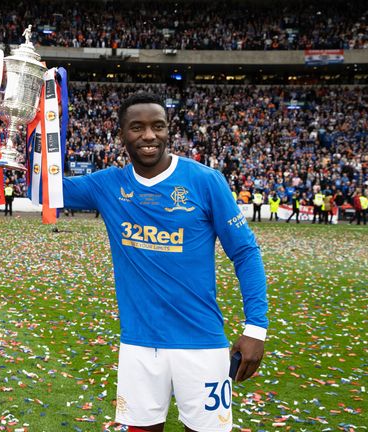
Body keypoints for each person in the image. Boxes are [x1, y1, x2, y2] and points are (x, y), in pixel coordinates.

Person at [61, 93, 267, 432]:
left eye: (158, 126)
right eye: (137, 127)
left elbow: (245, 253)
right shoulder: (107, 185)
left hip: (203, 344)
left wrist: (255, 328)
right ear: (122, 134)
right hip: (139, 345)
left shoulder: (205, 181)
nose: (149, 136)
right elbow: (43, 192)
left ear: (169, 130)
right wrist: (33, 135)